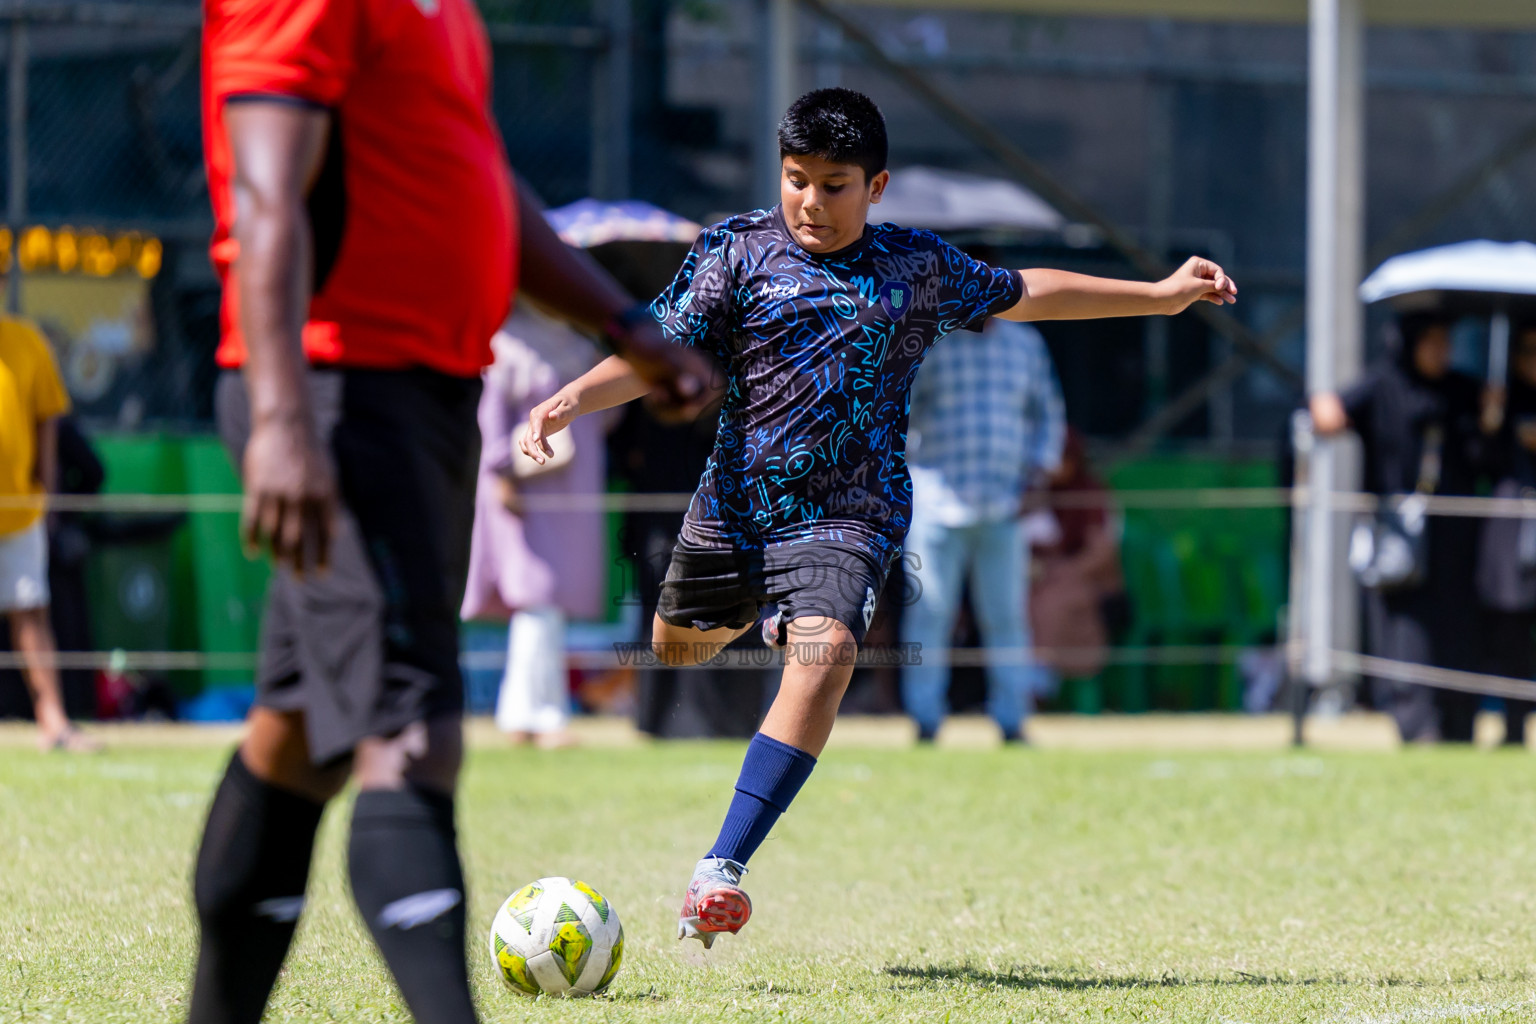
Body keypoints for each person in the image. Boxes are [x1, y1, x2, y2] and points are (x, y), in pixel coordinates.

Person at [521, 88, 1237, 948]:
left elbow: (1029, 291)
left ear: (877, 186)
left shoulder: (915, 267)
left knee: (826, 655)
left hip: (850, 516)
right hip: (736, 508)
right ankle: (764, 608)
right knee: (676, 646)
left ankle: (721, 868)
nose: (811, 204)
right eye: (796, 181)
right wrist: (570, 399)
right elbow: (657, 346)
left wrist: (1157, 295)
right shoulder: (736, 254)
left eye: (834, 184)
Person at [191, 0, 711, 1020]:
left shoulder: (442, 11)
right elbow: (265, 192)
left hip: (425, 396)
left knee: (295, 740)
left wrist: (625, 325)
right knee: (412, 729)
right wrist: (283, 416)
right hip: (340, 393)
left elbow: (482, 185)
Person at [1310, 313, 1488, 743]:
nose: (1441, 351)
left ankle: (1460, 723)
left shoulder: (1462, 390)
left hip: (1454, 541)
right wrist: (1326, 413)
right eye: (1432, 341)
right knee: (1405, 630)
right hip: (1398, 539)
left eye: (1446, 342)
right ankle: (1416, 725)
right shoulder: (1383, 383)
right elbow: (1325, 408)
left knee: (1456, 630)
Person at [900, 290, 1065, 743]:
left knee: (1007, 616)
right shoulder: (930, 340)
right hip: (935, 502)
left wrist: (1040, 475)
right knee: (930, 614)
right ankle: (925, 719)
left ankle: (1013, 720)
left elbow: (1047, 412)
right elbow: (901, 408)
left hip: (1005, 503)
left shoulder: (1025, 344)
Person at [461, 305, 617, 748]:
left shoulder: (581, 345)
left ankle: (533, 713)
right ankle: (536, 715)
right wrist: (498, 471)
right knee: (537, 598)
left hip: (574, 490)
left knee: (550, 603)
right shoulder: (506, 347)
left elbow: (608, 413)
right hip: (524, 488)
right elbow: (489, 416)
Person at [0, 319, 98, 751]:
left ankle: (53, 720)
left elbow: (47, 423)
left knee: (31, 613)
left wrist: (46, 493)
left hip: (19, 508)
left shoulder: (27, 342)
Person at [1028, 427, 1127, 688]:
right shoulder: (1039, 493)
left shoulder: (1093, 494)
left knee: (1051, 600)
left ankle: (1040, 682)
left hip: (1095, 589)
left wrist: (1058, 570)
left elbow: (1101, 555)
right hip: (1044, 581)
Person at [1476, 320, 1536, 746]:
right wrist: (1491, 422)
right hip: (1512, 531)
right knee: (1511, 629)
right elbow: (1481, 462)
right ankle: (1514, 725)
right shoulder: (1501, 400)